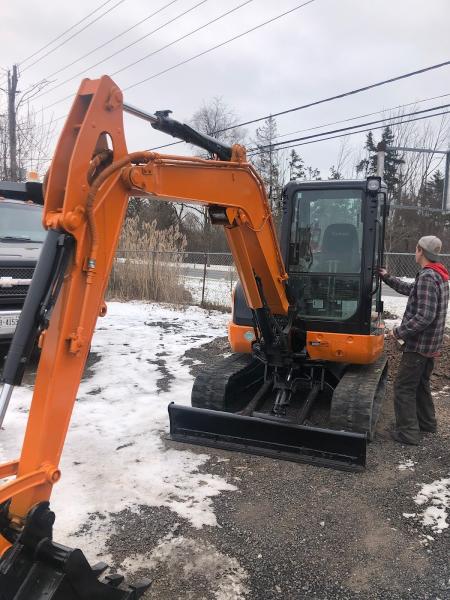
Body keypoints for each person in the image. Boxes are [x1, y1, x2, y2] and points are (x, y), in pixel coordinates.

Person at [378, 236, 449, 445]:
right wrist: (388, 277)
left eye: (416, 249)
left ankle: (407, 433)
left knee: (403, 387)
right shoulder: (438, 275)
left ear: (420, 250)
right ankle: (427, 423)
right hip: (431, 345)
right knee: (421, 385)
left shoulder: (428, 277)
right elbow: (411, 290)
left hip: (419, 346)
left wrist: (399, 332)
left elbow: (425, 317)